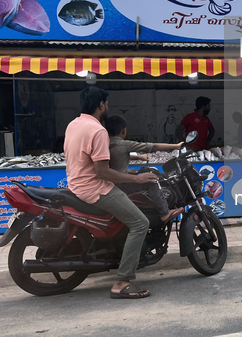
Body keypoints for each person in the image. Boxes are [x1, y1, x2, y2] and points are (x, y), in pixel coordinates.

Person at [64, 87, 158, 300]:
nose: (108, 107)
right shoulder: (98, 131)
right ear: (101, 105)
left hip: (76, 184)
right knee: (140, 223)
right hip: (95, 188)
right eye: (107, 103)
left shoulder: (74, 124)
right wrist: (137, 178)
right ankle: (122, 281)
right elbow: (102, 171)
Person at [105, 114, 184, 223]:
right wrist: (176, 146)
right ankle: (164, 213)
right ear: (124, 131)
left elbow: (114, 160)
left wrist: (138, 158)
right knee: (151, 181)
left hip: (109, 185)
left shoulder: (105, 144)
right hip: (120, 185)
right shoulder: (124, 144)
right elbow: (152, 146)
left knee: (141, 174)